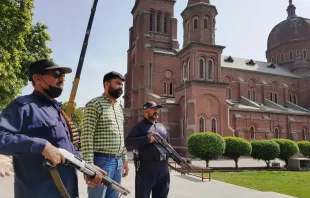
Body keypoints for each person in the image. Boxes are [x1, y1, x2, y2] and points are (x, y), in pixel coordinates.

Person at [0, 59, 105, 198]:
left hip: (67, 192)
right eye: (56, 73)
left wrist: (86, 167)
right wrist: (41, 145)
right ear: (37, 78)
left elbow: (66, 149)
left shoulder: (57, 110)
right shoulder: (23, 107)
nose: (61, 78)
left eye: (63, 75)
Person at [81, 71, 129, 198]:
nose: (121, 87)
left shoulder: (119, 108)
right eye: (118, 84)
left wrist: (124, 159)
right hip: (101, 162)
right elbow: (86, 137)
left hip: (118, 161)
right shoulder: (94, 104)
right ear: (107, 84)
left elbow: (120, 136)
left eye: (122, 85)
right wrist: (89, 166)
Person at [125, 101, 171, 198]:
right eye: (153, 109)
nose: (156, 111)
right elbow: (128, 141)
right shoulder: (140, 126)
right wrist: (147, 139)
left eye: (156, 109)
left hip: (163, 169)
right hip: (146, 169)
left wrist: (178, 160)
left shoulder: (161, 126)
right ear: (146, 111)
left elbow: (168, 146)